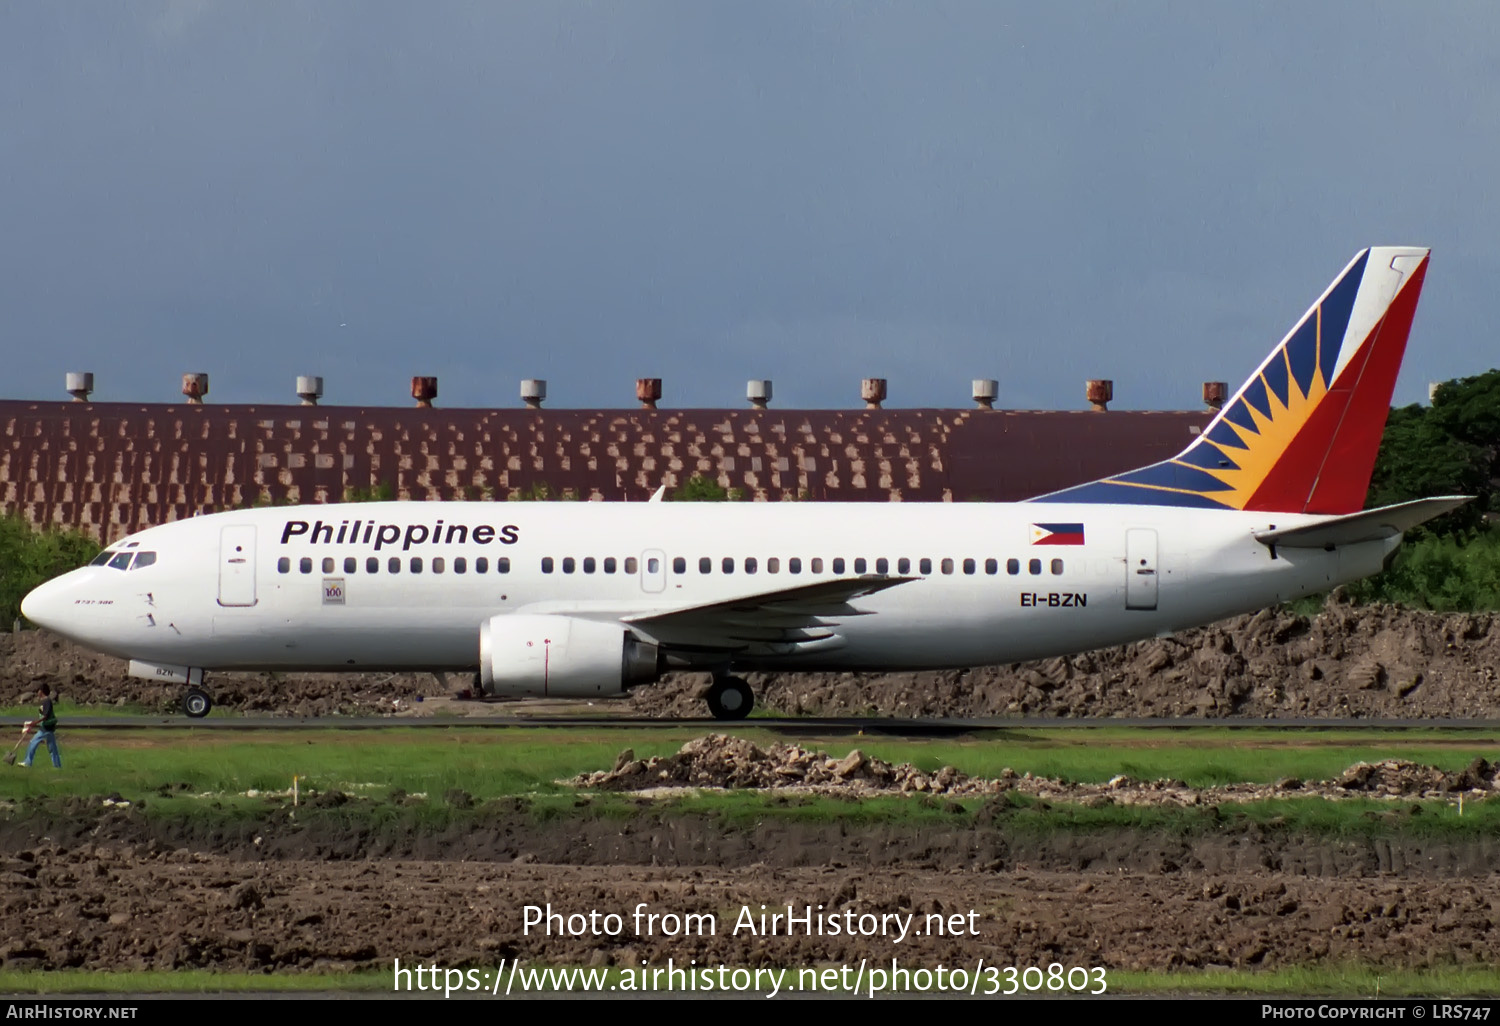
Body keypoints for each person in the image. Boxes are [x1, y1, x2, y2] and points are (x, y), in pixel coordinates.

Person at [20, 684, 60, 769]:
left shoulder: (47, 701)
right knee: (52, 748)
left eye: (38, 690)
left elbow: (45, 716)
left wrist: (34, 723)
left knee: (33, 743)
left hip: (45, 728)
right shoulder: (45, 701)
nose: (37, 692)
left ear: (41, 691)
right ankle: (57, 765)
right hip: (48, 728)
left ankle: (27, 762)